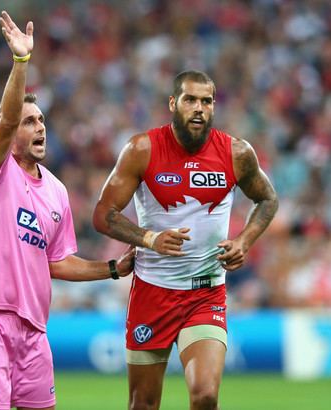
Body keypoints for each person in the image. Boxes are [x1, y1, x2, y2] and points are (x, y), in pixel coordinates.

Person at [0, 11, 134, 410]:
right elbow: (5, 117)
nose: (40, 127)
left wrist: (114, 269)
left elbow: (59, 262)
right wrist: (21, 62)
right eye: (30, 121)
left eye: (43, 121)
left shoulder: (56, 191)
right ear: (13, 130)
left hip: (33, 327)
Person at [93, 70, 279, 410]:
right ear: (172, 103)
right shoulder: (141, 149)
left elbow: (267, 199)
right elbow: (103, 214)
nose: (199, 108)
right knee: (143, 404)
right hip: (153, 291)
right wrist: (150, 238)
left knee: (205, 395)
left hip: (206, 294)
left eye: (206, 101)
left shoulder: (236, 153)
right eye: (190, 100)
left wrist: (245, 240)